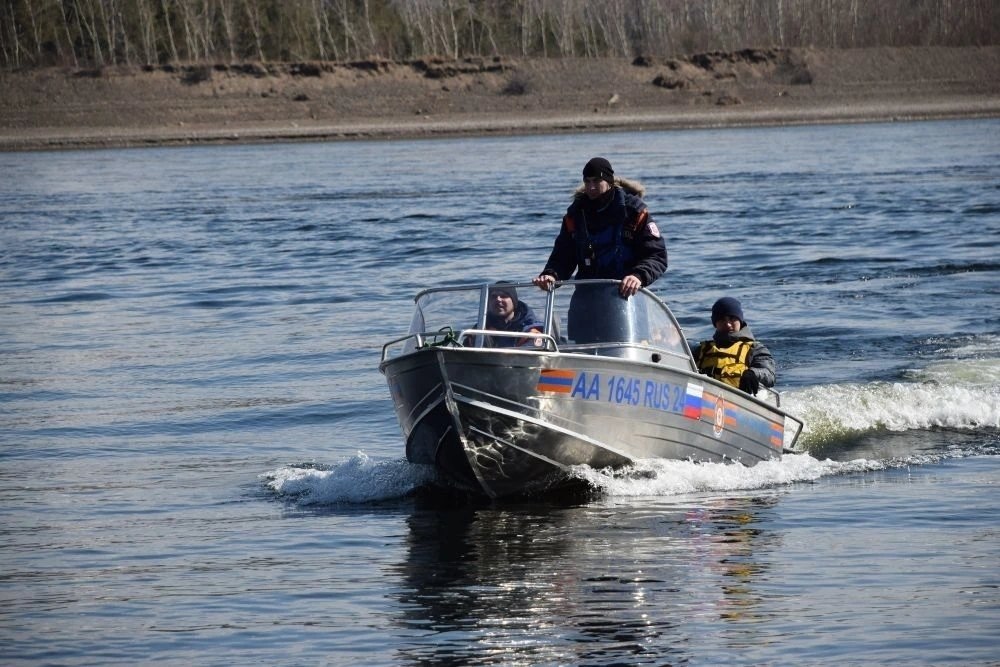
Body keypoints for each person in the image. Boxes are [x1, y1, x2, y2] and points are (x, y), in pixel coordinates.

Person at [532, 156, 667, 298]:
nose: (591, 187)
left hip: (628, 298)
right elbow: (563, 256)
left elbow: (657, 255)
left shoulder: (634, 212)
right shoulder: (575, 216)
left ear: (609, 181)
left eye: (596, 181)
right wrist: (551, 275)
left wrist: (638, 276)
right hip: (587, 300)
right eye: (587, 181)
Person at [692, 297, 775, 395]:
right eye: (722, 319)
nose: (728, 324)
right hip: (704, 399)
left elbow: (769, 373)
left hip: (740, 400)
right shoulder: (701, 350)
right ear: (715, 323)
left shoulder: (755, 349)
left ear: (740, 320)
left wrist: (753, 373)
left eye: (732, 318)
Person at [483, 282, 543, 347]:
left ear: (513, 301)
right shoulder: (481, 328)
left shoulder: (531, 330)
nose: (498, 299)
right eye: (493, 296)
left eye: (504, 296)